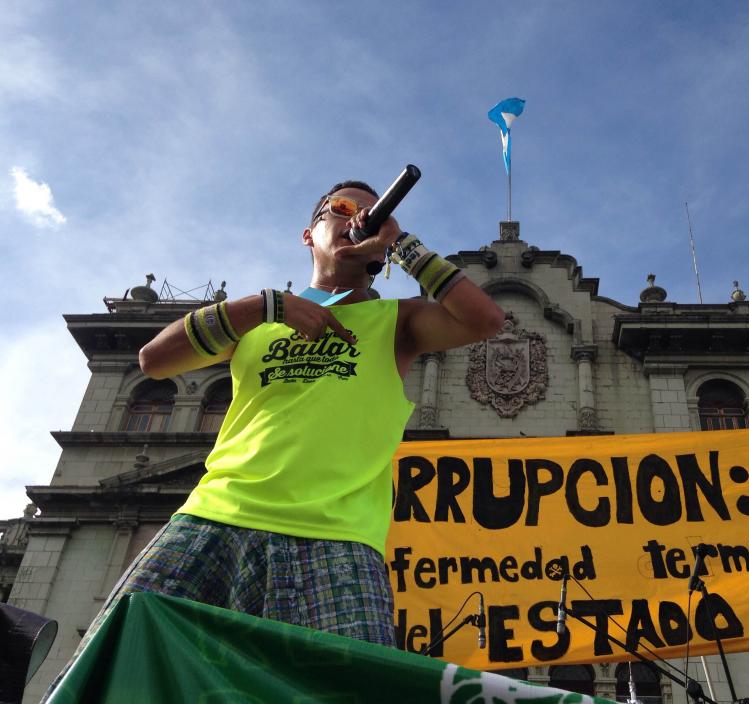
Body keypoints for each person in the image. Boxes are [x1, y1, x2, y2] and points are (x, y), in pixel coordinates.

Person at [45, 180, 504, 697]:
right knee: (116, 667)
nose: (358, 218)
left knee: (349, 691)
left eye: (370, 213)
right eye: (344, 208)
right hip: (214, 517)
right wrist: (264, 306)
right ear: (309, 234)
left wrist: (403, 244)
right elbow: (153, 360)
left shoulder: (397, 321)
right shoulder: (256, 323)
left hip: (337, 540)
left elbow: (485, 318)